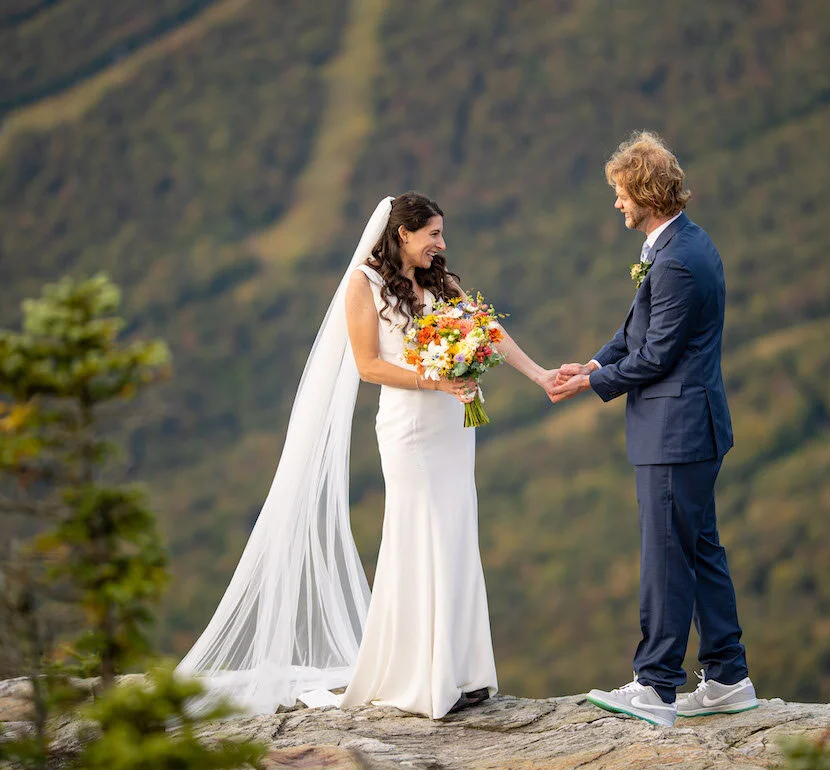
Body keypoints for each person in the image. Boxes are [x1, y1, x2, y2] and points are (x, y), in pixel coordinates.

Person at [178, 192, 556, 719]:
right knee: (418, 536)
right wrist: (436, 380)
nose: (441, 244)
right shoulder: (365, 283)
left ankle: (464, 672)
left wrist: (540, 376)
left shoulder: (442, 280)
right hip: (411, 428)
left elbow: (485, 330)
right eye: (434, 235)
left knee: (456, 534)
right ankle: (421, 678)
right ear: (404, 233)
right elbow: (368, 365)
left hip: (453, 425)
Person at [549, 132, 756, 727]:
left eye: (619, 192)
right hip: (691, 428)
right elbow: (639, 330)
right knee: (699, 550)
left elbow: (658, 355)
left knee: (666, 556)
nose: (616, 203)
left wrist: (596, 384)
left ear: (643, 191)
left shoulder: (677, 260)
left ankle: (657, 686)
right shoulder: (682, 245)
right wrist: (592, 363)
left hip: (677, 431)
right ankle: (726, 677)